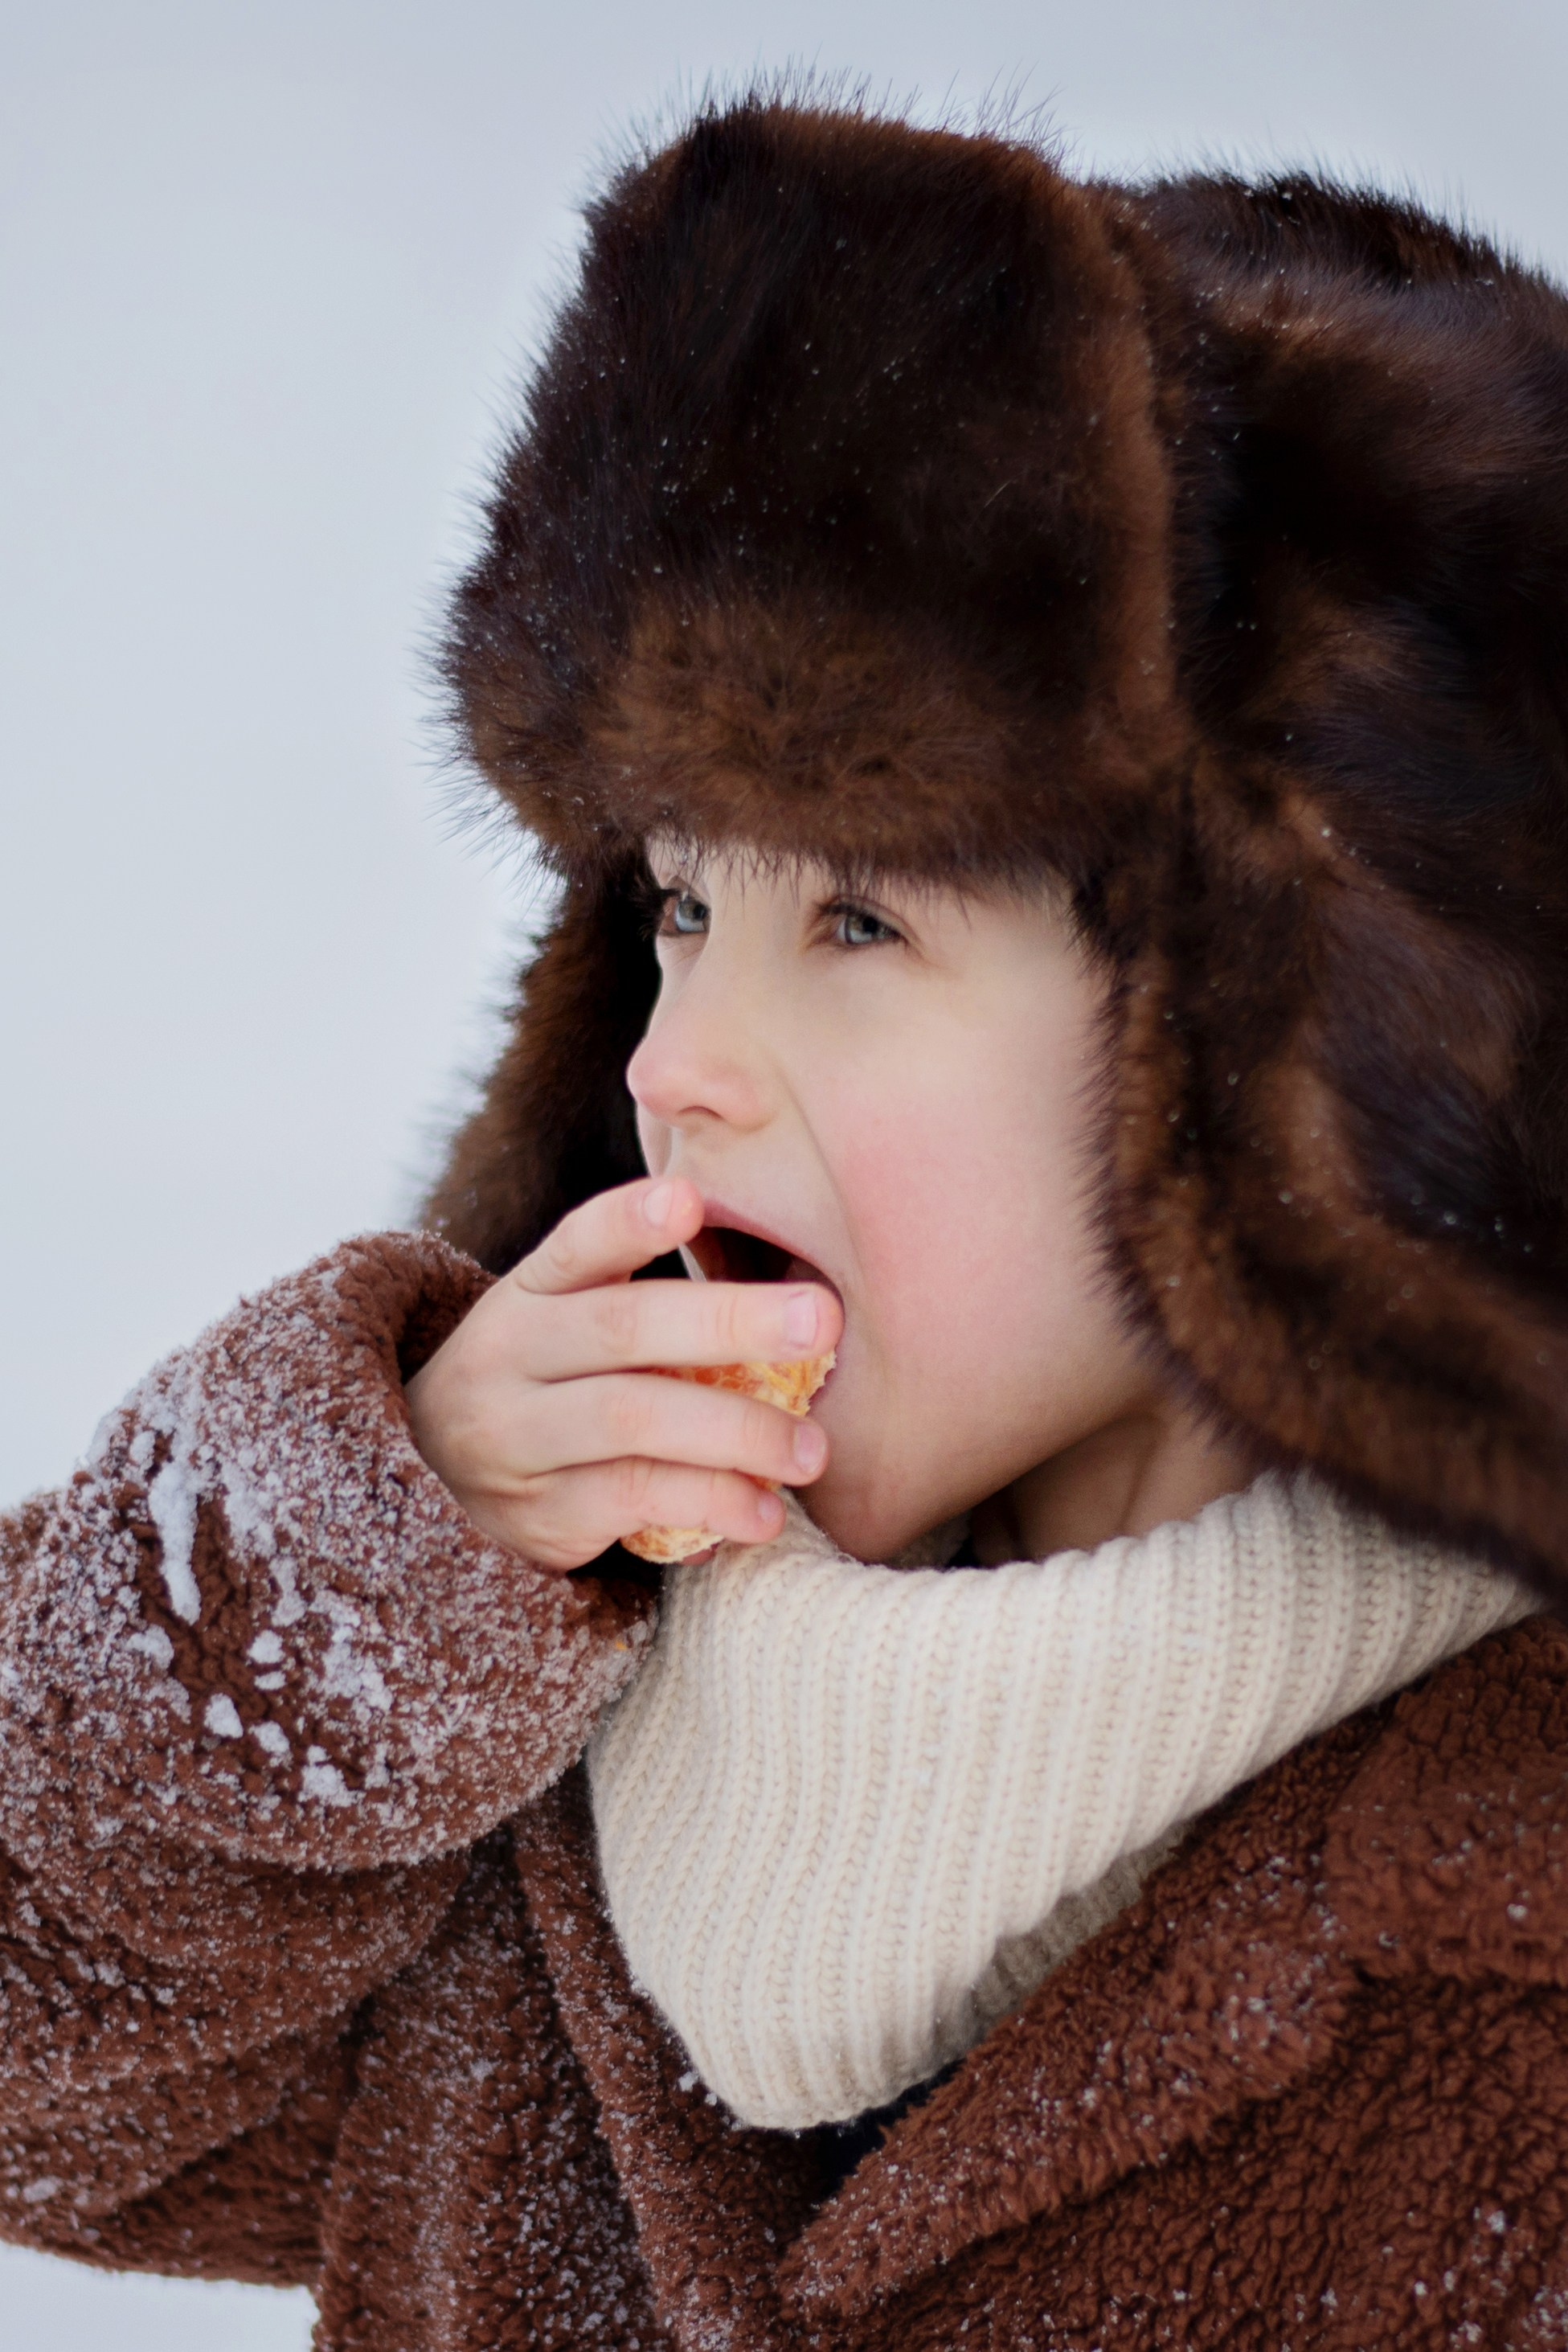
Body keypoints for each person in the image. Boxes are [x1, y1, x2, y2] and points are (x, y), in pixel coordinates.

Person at [2, 92, 1566, 2350]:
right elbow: (44, 2074)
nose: (675, 1061)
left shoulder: (1507, 1941)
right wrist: (348, 1568)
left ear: (1287, 1038)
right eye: (677, 903)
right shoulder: (521, 1769)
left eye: (855, 915)